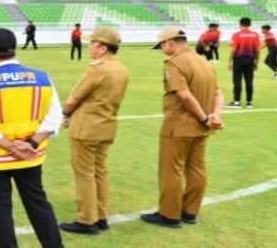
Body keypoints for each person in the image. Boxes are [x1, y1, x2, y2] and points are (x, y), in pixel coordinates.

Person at [0, 28, 65, 248]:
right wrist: (30, 144)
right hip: (30, 155)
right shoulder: (41, 77)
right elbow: (54, 116)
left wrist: (9, 146)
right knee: (38, 203)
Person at [141, 27, 224, 228]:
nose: (162, 50)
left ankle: (169, 215)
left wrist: (205, 118)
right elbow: (217, 93)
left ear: (170, 42)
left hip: (179, 126)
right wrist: (214, 116)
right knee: (197, 169)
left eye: (161, 46)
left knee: (171, 170)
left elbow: (184, 95)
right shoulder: (203, 61)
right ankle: (190, 211)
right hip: (201, 128)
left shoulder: (174, 63)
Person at [59, 26, 129, 235]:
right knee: (99, 171)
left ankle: (87, 220)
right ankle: (100, 215)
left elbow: (73, 99)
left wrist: (66, 112)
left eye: (93, 43)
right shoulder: (121, 69)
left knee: (85, 174)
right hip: (106, 126)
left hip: (86, 128)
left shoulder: (97, 68)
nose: (89, 46)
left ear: (102, 48)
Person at [226, 17, 261, 108]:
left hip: (238, 60)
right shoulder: (255, 35)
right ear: (250, 24)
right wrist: (256, 62)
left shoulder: (237, 34)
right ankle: (249, 102)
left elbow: (233, 49)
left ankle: (237, 102)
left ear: (240, 24)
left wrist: (229, 62)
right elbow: (257, 50)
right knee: (249, 81)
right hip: (250, 60)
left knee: (237, 81)